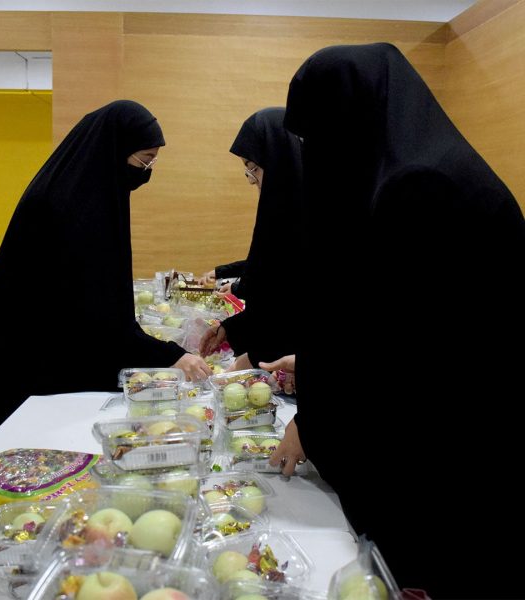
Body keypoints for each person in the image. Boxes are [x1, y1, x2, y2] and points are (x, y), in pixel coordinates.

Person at [274, 43, 525, 598]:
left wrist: (316, 414)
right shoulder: (422, 167)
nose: (313, 157)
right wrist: (316, 369)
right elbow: (386, 320)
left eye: (315, 139)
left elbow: (401, 365)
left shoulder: (419, 187)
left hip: (450, 460)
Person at [0, 100, 211, 452]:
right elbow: (95, 317)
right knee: (28, 447)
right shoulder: (72, 207)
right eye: (145, 160)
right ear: (115, 149)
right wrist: (168, 354)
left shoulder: (84, 190)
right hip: (30, 347)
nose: (147, 171)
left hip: (47, 337)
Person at [199, 108, 302, 370]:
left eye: (253, 168)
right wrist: (231, 328)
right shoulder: (282, 212)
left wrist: (255, 356)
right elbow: (273, 299)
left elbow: (293, 311)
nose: (251, 180)